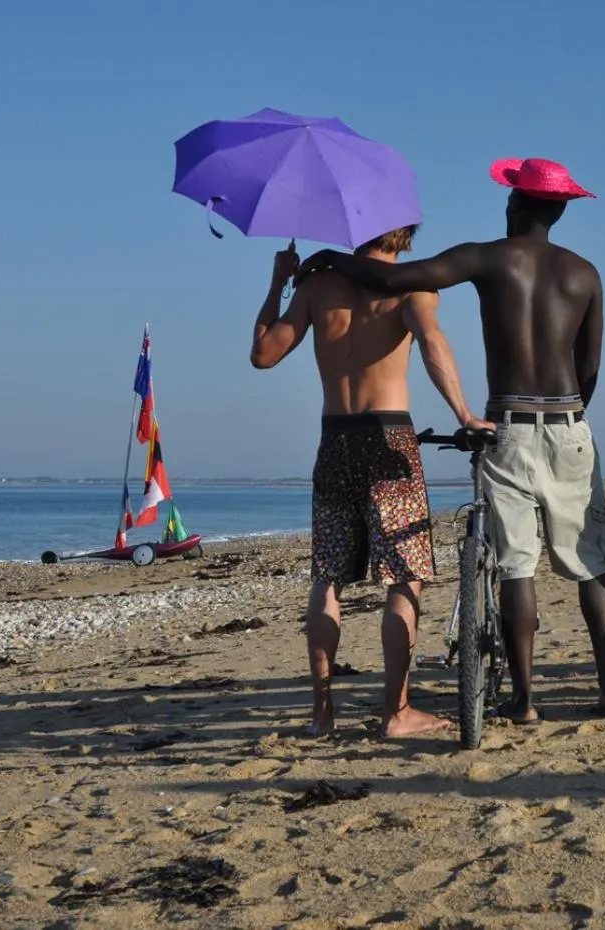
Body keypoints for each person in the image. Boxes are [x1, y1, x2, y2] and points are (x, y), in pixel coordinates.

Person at [295, 158, 605, 724]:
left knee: (516, 567)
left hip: (507, 424)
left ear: (514, 204)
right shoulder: (585, 273)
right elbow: (590, 365)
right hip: (569, 422)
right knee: (590, 561)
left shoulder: (487, 257)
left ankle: (525, 701)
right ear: (558, 210)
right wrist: (571, 420)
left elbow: (394, 277)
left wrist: (331, 258)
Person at [251, 224, 490, 738]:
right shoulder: (409, 286)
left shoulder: (317, 287)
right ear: (402, 230)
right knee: (404, 575)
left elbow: (264, 354)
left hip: (334, 438)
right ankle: (396, 712)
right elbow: (432, 343)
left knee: (328, 576)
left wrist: (279, 283)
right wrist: (465, 414)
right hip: (387, 438)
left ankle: (321, 715)